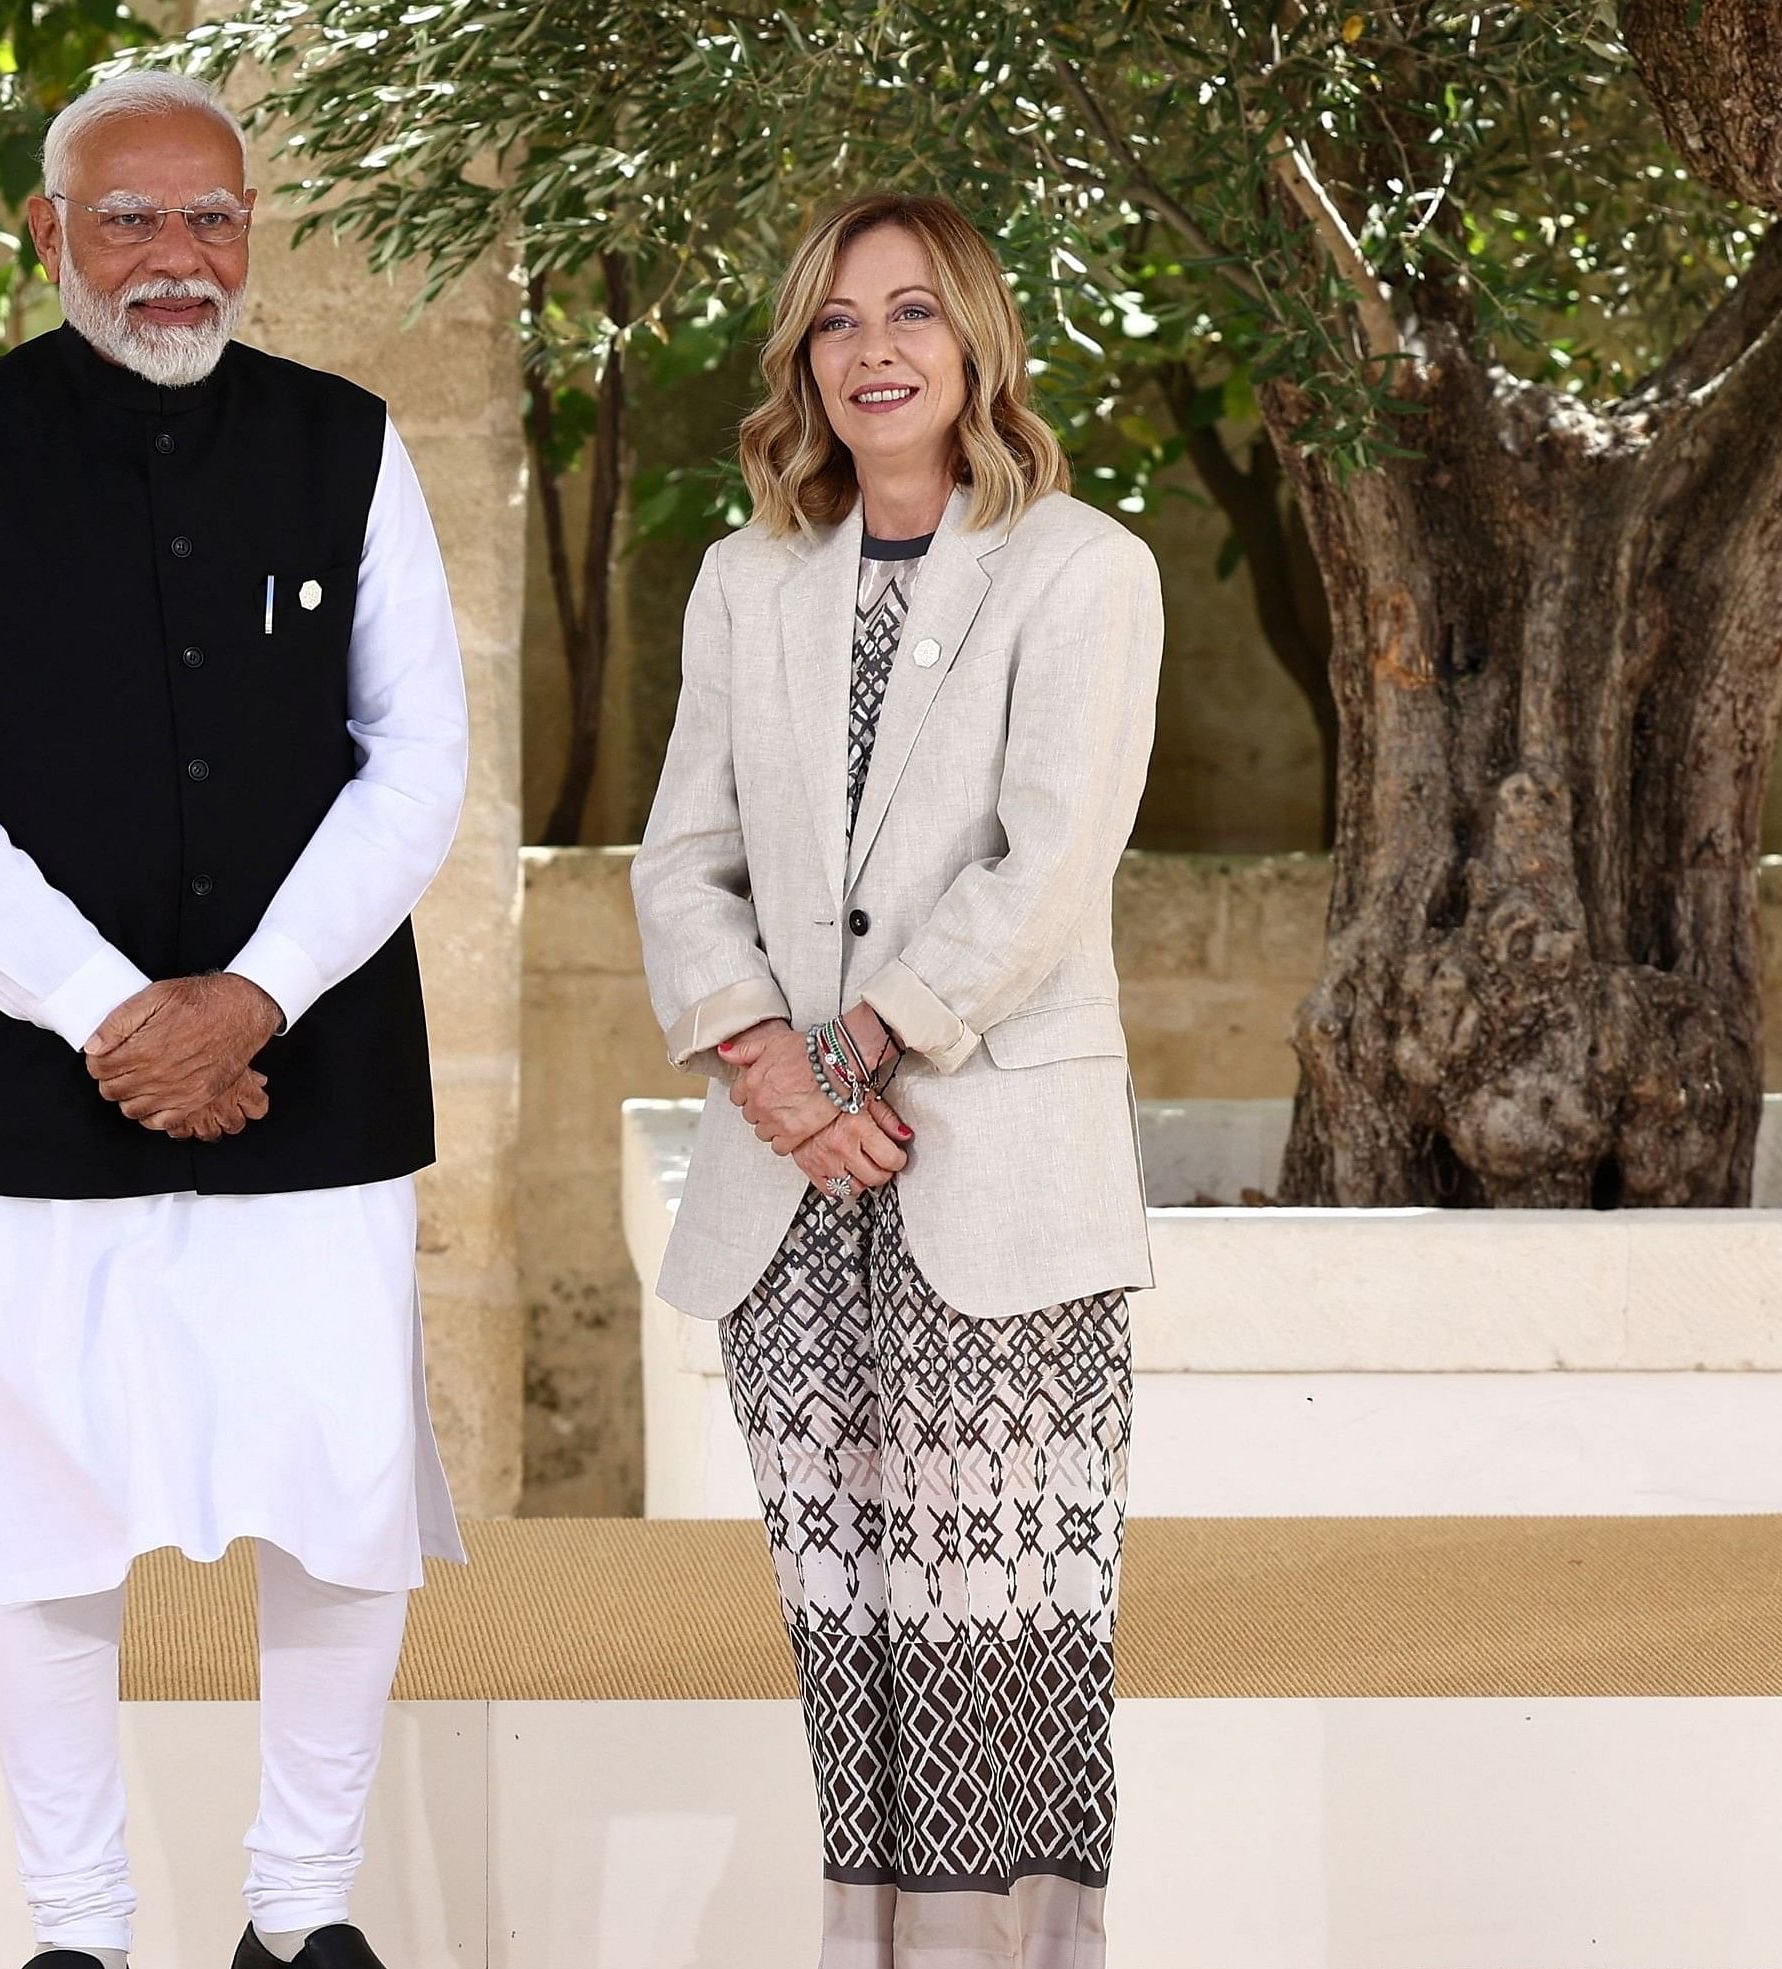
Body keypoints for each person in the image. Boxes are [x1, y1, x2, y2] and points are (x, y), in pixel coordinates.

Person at [0, 69, 467, 1969]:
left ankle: (303, 1913)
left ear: (250, 233)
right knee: (41, 1523)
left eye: (210, 218)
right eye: (128, 219)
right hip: (19, 1090)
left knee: (342, 1494)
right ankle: (80, 1930)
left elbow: (420, 758)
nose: (174, 257)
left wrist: (253, 995)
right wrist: (119, 1014)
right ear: (51, 238)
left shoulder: (350, 444)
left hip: (313, 1063)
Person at [630, 190, 1166, 1969]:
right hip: (793, 1197)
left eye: (916, 313)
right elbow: (679, 860)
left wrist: (858, 1046)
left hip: (989, 1176)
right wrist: (773, 1072)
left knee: (1003, 1624)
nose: (875, 349)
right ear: (805, 356)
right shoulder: (745, 579)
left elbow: (1049, 860)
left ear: (978, 348)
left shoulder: (1085, 567)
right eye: (842, 320)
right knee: (847, 1622)